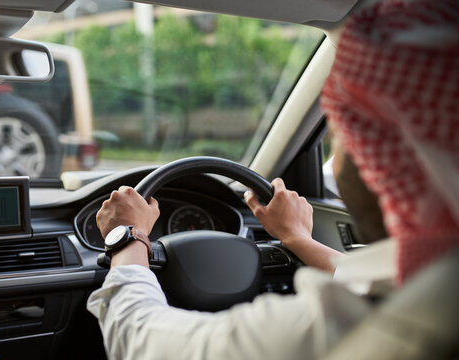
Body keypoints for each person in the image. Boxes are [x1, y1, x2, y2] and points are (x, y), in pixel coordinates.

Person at [87, 0, 459, 358]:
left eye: (347, 135)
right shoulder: (432, 289)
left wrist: (127, 239)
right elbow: (379, 278)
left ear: (382, 163)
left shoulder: (336, 333)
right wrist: (298, 239)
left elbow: (139, 338)